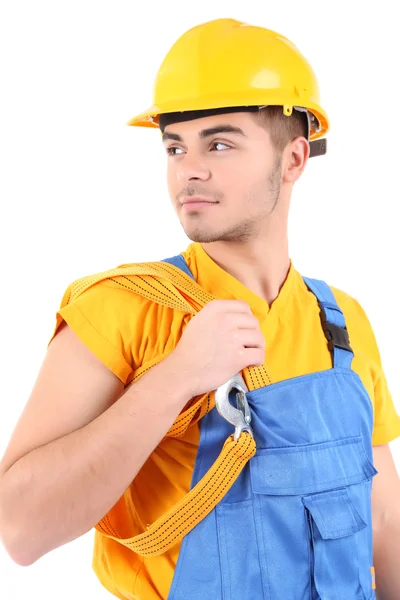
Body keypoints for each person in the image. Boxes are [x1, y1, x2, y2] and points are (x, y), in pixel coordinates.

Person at [0, 17, 399, 600]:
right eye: (174, 146)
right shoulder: (125, 308)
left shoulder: (340, 322)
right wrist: (177, 378)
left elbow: (383, 520)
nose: (189, 168)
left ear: (293, 160)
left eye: (219, 143)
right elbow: (20, 529)